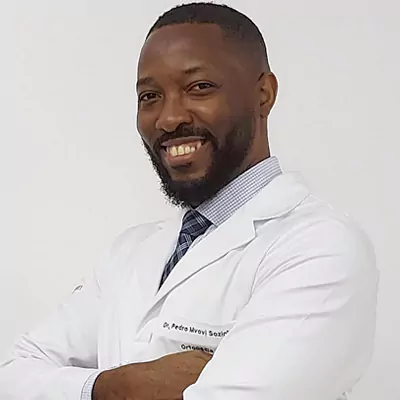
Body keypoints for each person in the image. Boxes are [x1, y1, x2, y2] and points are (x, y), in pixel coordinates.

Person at [0, 3, 378, 400]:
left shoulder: (321, 249)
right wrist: (116, 387)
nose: (168, 119)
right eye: (150, 96)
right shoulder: (128, 254)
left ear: (263, 94)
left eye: (199, 87)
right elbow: (13, 377)